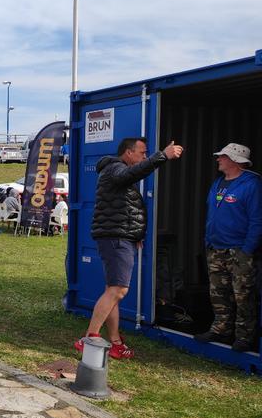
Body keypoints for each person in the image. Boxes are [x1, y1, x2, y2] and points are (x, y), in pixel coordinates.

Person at [75, 138, 183, 359]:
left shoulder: (113, 170)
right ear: (128, 152)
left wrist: (136, 234)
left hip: (118, 237)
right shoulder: (116, 168)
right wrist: (162, 155)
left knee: (113, 291)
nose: (144, 156)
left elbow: (123, 208)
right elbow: (132, 175)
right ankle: (89, 338)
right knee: (118, 290)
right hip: (116, 239)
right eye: (142, 152)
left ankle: (114, 342)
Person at [194, 143, 262, 352]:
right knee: (218, 292)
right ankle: (221, 329)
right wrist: (208, 241)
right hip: (216, 248)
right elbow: (212, 214)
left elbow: (257, 220)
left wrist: (247, 250)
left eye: (222, 157)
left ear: (235, 160)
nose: (218, 159)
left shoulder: (251, 185)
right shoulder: (218, 183)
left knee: (243, 294)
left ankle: (244, 336)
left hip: (239, 250)